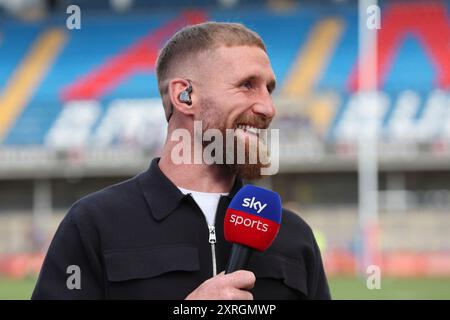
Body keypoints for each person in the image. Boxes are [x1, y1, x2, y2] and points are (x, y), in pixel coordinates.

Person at [32, 22, 331, 300]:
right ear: (185, 95)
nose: (268, 107)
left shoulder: (293, 235)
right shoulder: (94, 224)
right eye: (247, 85)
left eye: (269, 89)